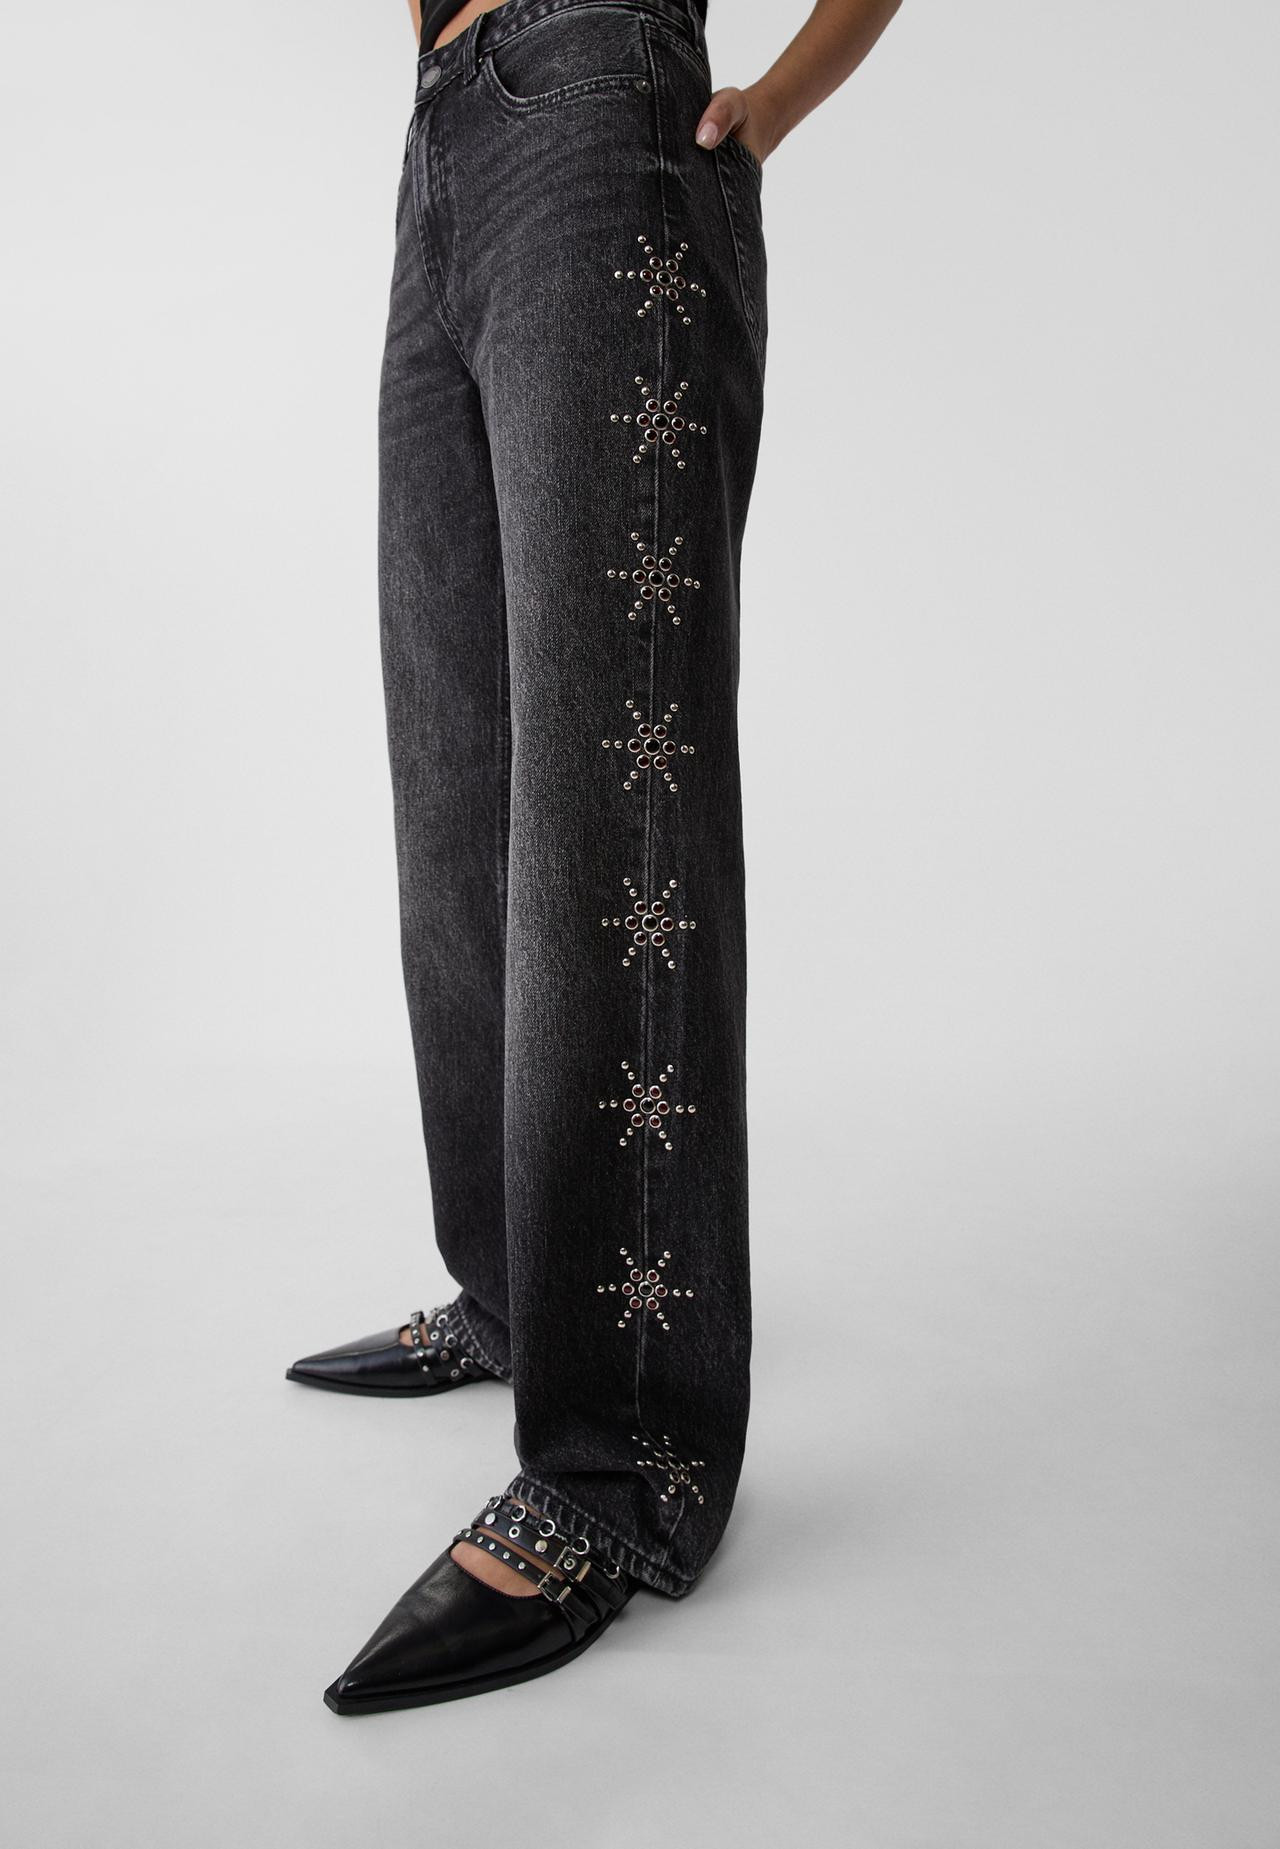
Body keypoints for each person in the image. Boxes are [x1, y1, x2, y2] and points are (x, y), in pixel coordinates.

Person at [287, 0, 902, 1713]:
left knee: (609, 791)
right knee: (458, 778)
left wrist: (772, 105)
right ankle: (514, 1288)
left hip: (598, 115)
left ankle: (627, 1458)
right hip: (441, 147)